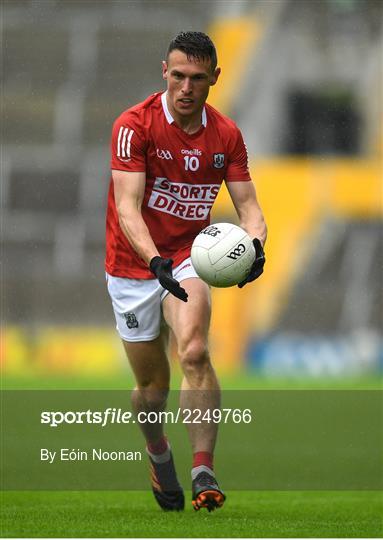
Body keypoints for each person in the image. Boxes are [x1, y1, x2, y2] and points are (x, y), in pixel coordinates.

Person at [105, 31, 267, 512]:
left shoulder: (227, 135)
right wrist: (152, 261)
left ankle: (203, 470)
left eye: (198, 78)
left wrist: (255, 247)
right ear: (164, 73)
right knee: (151, 390)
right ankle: (159, 456)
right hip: (133, 266)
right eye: (178, 76)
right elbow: (128, 208)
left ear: (215, 78)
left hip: (187, 257)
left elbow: (250, 209)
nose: (186, 87)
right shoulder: (134, 126)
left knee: (194, 351)